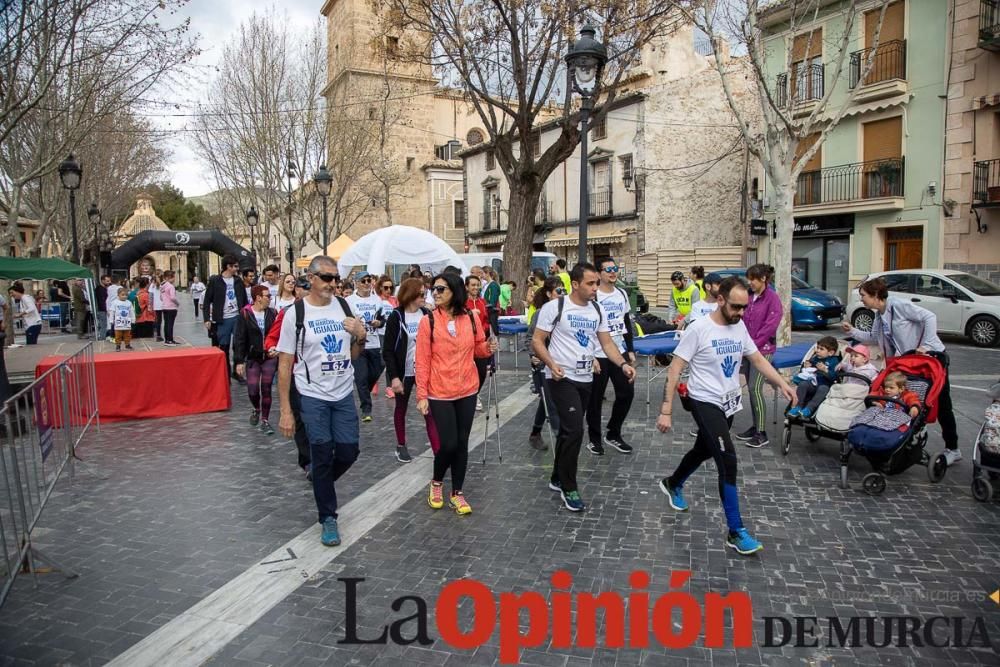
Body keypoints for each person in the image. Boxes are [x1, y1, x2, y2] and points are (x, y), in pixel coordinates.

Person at [656, 277, 796, 556]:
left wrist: (781, 383)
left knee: (703, 450)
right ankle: (736, 530)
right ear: (720, 300)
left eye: (744, 307)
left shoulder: (739, 325)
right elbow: (675, 369)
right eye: (736, 307)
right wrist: (666, 409)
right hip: (703, 401)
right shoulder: (699, 329)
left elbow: (756, 359)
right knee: (727, 461)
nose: (741, 313)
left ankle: (673, 483)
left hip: (729, 402)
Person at [531, 262, 637, 512]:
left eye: (596, 283)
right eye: (590, 283)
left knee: (568, 432)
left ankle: (557, 477)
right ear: (575, 284)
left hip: (585, 377)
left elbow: (607, 343)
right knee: (575, 430)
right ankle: (570, 487)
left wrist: (622, 364)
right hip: (560, 378)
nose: (595, 288)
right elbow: (537, 340)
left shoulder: (596, 310)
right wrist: (552, 364)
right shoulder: (554, 307)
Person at [277, 256, 367, 547]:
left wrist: (361, 337)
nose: (332, 284)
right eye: (326, 278)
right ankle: (328, 516)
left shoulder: (344, 306)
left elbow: (354, 354)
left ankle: (319, 477)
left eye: (335, 278)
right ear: (311, 278)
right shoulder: (296, 313)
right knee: (321, 450)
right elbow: (285, 364)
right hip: (312, 395)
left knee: (348, 451)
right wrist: (286, 411)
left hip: (342, 393)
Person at [843, 276, 962, 465]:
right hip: (907, 362)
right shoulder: (879, 315)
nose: (861, 299)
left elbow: (929, 317)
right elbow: (874, 337)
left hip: (931, 358)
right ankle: (903, 436)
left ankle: (953, 448)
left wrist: (925, 345)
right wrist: (852, 332)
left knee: (941, 402)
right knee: (903, 397)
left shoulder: (898, 305)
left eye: (863, 295)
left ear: (875, 295)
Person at [416, 271, 497, 515]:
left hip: (467, 389)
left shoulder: (470, 318)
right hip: (439, 391)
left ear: (454, 291)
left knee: (462, 443)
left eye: (441, 289)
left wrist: (488, 347)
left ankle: (457, 493)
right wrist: (421, 395)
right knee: (448, 444)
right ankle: (437, 481)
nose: (436, 294)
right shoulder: (428, 321)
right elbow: (422, 360)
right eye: (434, 289)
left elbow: (479, 350)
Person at [382, 278, 440, 463]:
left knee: (429, 409)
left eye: (425, 293)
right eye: (421, 294)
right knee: (401, 407)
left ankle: (438, 450)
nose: (425, 297)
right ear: (411, 295)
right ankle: (401, 444)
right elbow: (388, 351)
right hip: (404, 370)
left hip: (423, 370)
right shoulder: (396, 317)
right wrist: (394, 378)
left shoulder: (426, 314)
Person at [586, 257, 637, 455]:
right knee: (595, 398)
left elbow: (626, 322)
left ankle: (613, 433)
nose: (612, 272)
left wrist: (630, 348)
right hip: (598, 352)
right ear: (599, 274)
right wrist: (591, 356)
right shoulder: (594, 295)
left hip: (618, 351)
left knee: (627, 393)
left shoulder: (621, 294)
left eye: (615, 268)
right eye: (608, 270)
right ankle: (594, 438)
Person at [266, 275, 314, 477]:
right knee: (301, 419)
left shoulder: (324, 311)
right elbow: (271, 337)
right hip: (294, 373)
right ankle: (308, 462)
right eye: (303, 287)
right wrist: (271, 348)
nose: (306, 291)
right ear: (297, 291)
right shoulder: (288, 313)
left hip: (318, 374)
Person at [736, 264, 781, 449]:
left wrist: (753, 344)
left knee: (755, 388)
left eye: (753, 279)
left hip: (763, 351)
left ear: (763, 279)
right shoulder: (748, 296)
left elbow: (771, 325)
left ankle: (762, 433)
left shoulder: (772, 299)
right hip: (746, 350)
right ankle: (755, 426)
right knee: (751, 389)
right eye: (749, 279)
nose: (750, 282)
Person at [526, 277, 565, 450]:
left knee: (547, 400)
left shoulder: (568, 312)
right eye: (558, 291)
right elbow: (530, 338)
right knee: (552, 402)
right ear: (549, 294)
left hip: (562, 364)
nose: (562, 294)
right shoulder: (540, 313)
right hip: (543, 365)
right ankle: (561, 439)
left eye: (565, 290)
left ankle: (535, 433)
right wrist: (534, 356)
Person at [235, 285, 279, 435]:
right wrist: (239, 361)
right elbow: (239, 338)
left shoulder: (273, 313)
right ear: (258, 297)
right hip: (253, 358)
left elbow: (278, 334)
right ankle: (256, 408)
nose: (270, 299)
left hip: (269, 357)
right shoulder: (245, 313)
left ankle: (265, 421)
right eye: (267, 296)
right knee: (253, 389)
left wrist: (277, 348)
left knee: (266, 388)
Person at [346, 271, 386, 421]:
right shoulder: (349, 300)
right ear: (356, 283)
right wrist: (355, 324)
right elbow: (346, 319)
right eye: (363, 281)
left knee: (376, 372)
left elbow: (382, 319)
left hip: (374, 343)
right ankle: (366, 409)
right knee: (361, 377)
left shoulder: (377, 300)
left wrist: (379, 323)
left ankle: (363, 392)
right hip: (358, 344)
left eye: (369, 280)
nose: (367, 283)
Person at [204, 255, 248, 383]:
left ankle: (237, 371)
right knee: (224, 347)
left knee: (238, 345)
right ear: (228, 266)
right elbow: (207, 301)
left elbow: (244, 300)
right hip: (222, 319)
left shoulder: (238, 281)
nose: (237, 268)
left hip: (237, 317)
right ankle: (225, 374)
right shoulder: (215, 281)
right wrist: (207, 318)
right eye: (235, 266)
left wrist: (246, 314)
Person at [787, 336, 841, 420]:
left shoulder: (834, 361)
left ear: (830, 352)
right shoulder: (815, 358)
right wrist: (806, 367)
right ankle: (798, 406)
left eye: (821, 349)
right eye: (818, 348)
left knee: (823, 388)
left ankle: (809, 409)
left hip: (825, 385)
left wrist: (825, 370)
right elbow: (806, 372)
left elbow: (835, 377)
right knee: (803, 384)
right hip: (812, 384)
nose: (817, 351)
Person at [464, 273, 491, 410]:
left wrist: (483, 326)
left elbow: (486, 320)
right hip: (466, 342)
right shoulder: (463, 303)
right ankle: (469, 396)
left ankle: (475, 394)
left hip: (480, 342)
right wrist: (470, 315)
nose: (476, 287)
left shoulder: (482, 302)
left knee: (481, 371)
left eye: (477, 285)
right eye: (473, 285)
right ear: (466, 287)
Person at [160, 270, 180, 345]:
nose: (174, 279)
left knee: (166, 324)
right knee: (170, 324)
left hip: (164, 307)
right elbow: (173, 298)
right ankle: (170, 340)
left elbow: (161, 297)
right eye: (173, 277)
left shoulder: (162, 286)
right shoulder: (171, 286)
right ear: (169, 278)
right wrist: (177, 303)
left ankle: (167, 339)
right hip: (171, 307)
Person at [95, 275, 111, 341]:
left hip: (102, 309)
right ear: (102, 281)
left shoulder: (103, 288)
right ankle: (102, 339)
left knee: (103, 325)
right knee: (103, 325)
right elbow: (102, 301)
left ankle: (102, 338)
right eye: (107, 281)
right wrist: (106, 310)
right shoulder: (100, 289)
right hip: (101, 310)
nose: (109, 282)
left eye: (109, 281)